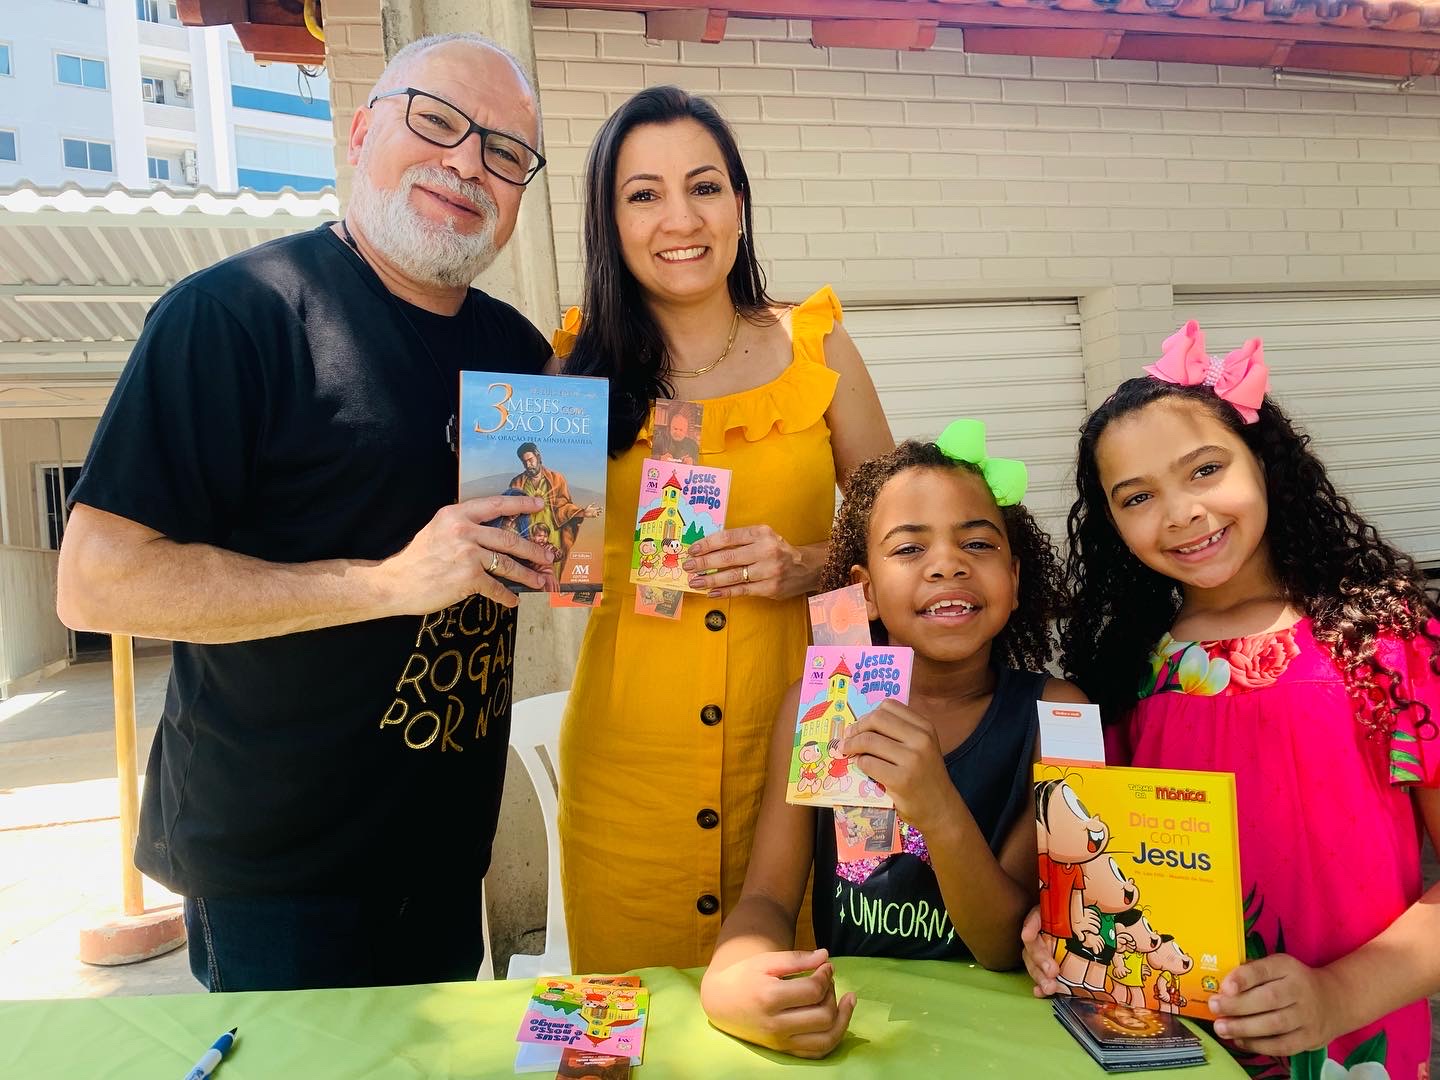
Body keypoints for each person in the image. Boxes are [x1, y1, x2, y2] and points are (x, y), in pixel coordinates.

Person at [54, 32, 557, 992]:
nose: (466, 164)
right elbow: (95, 580)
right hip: (279, 881)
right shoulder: (235, 316)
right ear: (363, 129)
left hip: (449, 859)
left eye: (504, 153)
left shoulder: (517, 351)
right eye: (438, 121)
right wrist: (389, 585)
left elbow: (541, 546)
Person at [1021, 320, 1440, 1078]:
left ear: (1266, 463)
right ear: (1112, 523)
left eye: (1205, 469)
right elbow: (1090, 855)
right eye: (1137, 496)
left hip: (1351, 1050)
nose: (1179, 511)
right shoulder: (1121, 668)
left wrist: (1338, 995)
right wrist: (1051, 929)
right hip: (1163, 1047)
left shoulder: (1390, 640)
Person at [552, 85, 894, 972]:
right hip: (631, 765)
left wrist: (809, 564)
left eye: (705, 186)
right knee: (630, 1030)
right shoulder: (573, 363)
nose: (680, 217)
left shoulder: (817, 347)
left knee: (808, 1009)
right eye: (643, 193)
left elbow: (903, 539)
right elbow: (548, 565)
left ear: (739, 206)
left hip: (805, 746)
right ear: (610, 222)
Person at [699, 426, 1084, 1058]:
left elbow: (1002, 940)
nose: (947, 563)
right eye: (909, 549)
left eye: (978, 543)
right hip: (860, 1035)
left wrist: (934, 804)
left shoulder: (1057, 715)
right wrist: (730, 980)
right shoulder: (817, 707)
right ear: (867, 590)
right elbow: (768, 897)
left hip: (1012, 1039)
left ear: (1014, 580)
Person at [506, 441, 601, 578]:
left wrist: (582, 512)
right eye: (524, 462)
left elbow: (564, 506)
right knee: (527, 574)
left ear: (538, 456)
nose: (528, 465)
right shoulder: (517, 483)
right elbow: (510, 511)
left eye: (530, 460)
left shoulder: (557, 479)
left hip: (552, 534)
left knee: (552, 574)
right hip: (527, 535)